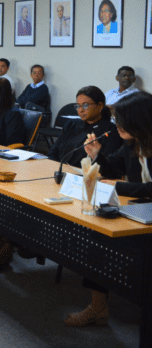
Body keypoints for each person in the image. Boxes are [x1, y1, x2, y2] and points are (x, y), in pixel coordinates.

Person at [69, 92, 152, 327]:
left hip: (144, 213)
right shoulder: (131, 142)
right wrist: (97, 155)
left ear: (139, 120)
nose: (117, 125)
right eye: (116, 120)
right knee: (98, 237)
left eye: (122, 120)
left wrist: (119, 186)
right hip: (138, 211)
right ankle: (98, 307)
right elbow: (113, 167)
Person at [47, 86, 122, 169]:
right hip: (58, 170)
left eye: (85, 105)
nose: (81, 110)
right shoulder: (71, 124)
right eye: (78, 106)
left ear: (100, 106)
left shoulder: (111, 131)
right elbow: (53, 152)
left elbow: (108, 166)